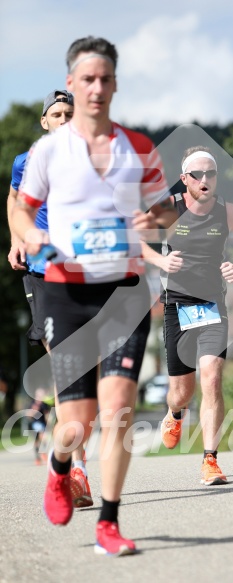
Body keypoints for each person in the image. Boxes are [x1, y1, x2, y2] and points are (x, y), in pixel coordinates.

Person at [12, 36, 174, 556]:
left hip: (125, 291)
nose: (97, 88)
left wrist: (158, 218)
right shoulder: (46, 152)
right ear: (73, 83)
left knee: (120, 407)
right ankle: (61, 469)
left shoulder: (139, 148)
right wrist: (28, 235)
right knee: (75, 424)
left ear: (116, 84)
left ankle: (109, 520)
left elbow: (167, 208)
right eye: (87, 79)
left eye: (106, 78)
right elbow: (20, 207)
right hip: (65, 293)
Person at [143, 145, 233, 485]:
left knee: (211, 376)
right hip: (176, 305)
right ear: (184, 179)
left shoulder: (227, 212)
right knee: (181, 392)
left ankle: (210, 460)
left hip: (211, 304)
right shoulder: (169, 208)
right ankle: (175, 413)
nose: (204, 179)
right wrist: (159, 261)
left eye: (210, 173)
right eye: (197, 174)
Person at [7, 89, 93, 506]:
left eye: (69, 113)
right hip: (42, 274)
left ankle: (73, 458)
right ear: (45, 121)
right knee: (64, 362)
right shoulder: (26, 162)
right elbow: (14, 200)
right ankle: (76, 468)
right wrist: (15, 240)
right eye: (56, 113)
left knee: (80, 370)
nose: (63, 118)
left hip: (84, 273)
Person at [27, 388, 51, 465]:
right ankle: (37, 457)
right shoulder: (32, 404)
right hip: (34, 424)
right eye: (40, 395)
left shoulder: (44, 405)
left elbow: (47, 415)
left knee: (43, 439)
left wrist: (49, 423)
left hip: (42, 424)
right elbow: (29, 416)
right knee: (36, 442)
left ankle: (43, 453)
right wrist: (34, 410)